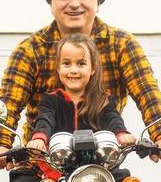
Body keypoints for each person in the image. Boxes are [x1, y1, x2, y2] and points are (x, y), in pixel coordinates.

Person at [0, 0, 161, 180]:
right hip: (41, 160)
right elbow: (9, 100)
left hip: (102, 161)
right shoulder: (30, 49)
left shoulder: (122, 44)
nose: (74, 3)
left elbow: (146, 91)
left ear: (98, 3)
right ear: (51, 4)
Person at [26, 33, 137, 181]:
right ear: (58, 69)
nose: (73, 70)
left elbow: (113, 118)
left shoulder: (103, 100)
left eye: (81, 63)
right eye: (66, 63)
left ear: (92, 69)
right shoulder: (50, 101)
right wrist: (39, 138)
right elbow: (44, 120)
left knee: (127, 179)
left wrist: (122, 134)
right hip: (59, 167)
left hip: (99, 167)